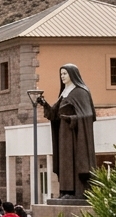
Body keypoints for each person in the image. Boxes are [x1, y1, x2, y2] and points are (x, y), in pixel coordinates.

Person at [39, 64, 97, 197]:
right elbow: (54, 113)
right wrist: (44, 103)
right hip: (63, 133)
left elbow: (89, 115)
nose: (62, 76)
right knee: (65, 161)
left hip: (74, 135)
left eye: (65, 74)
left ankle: (74, 192)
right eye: (61, 74)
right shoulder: (65, 93)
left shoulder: (81, 91)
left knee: (72, 160)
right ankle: (65, 190)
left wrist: (72, 119)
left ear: (73, 74)